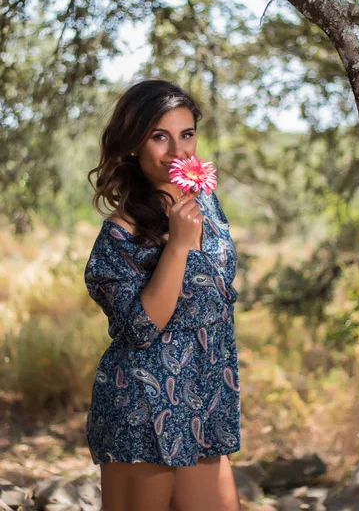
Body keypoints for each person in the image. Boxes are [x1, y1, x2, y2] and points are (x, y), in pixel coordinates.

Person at [84, 79, 241, 511]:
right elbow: (140, 328)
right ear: (133, 144)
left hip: (204, 399)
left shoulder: (204, 199)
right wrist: (177, 245)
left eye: (186, 134)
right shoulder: (120, 233)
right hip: (145, 408)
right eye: (160, 137)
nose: (178, 151)